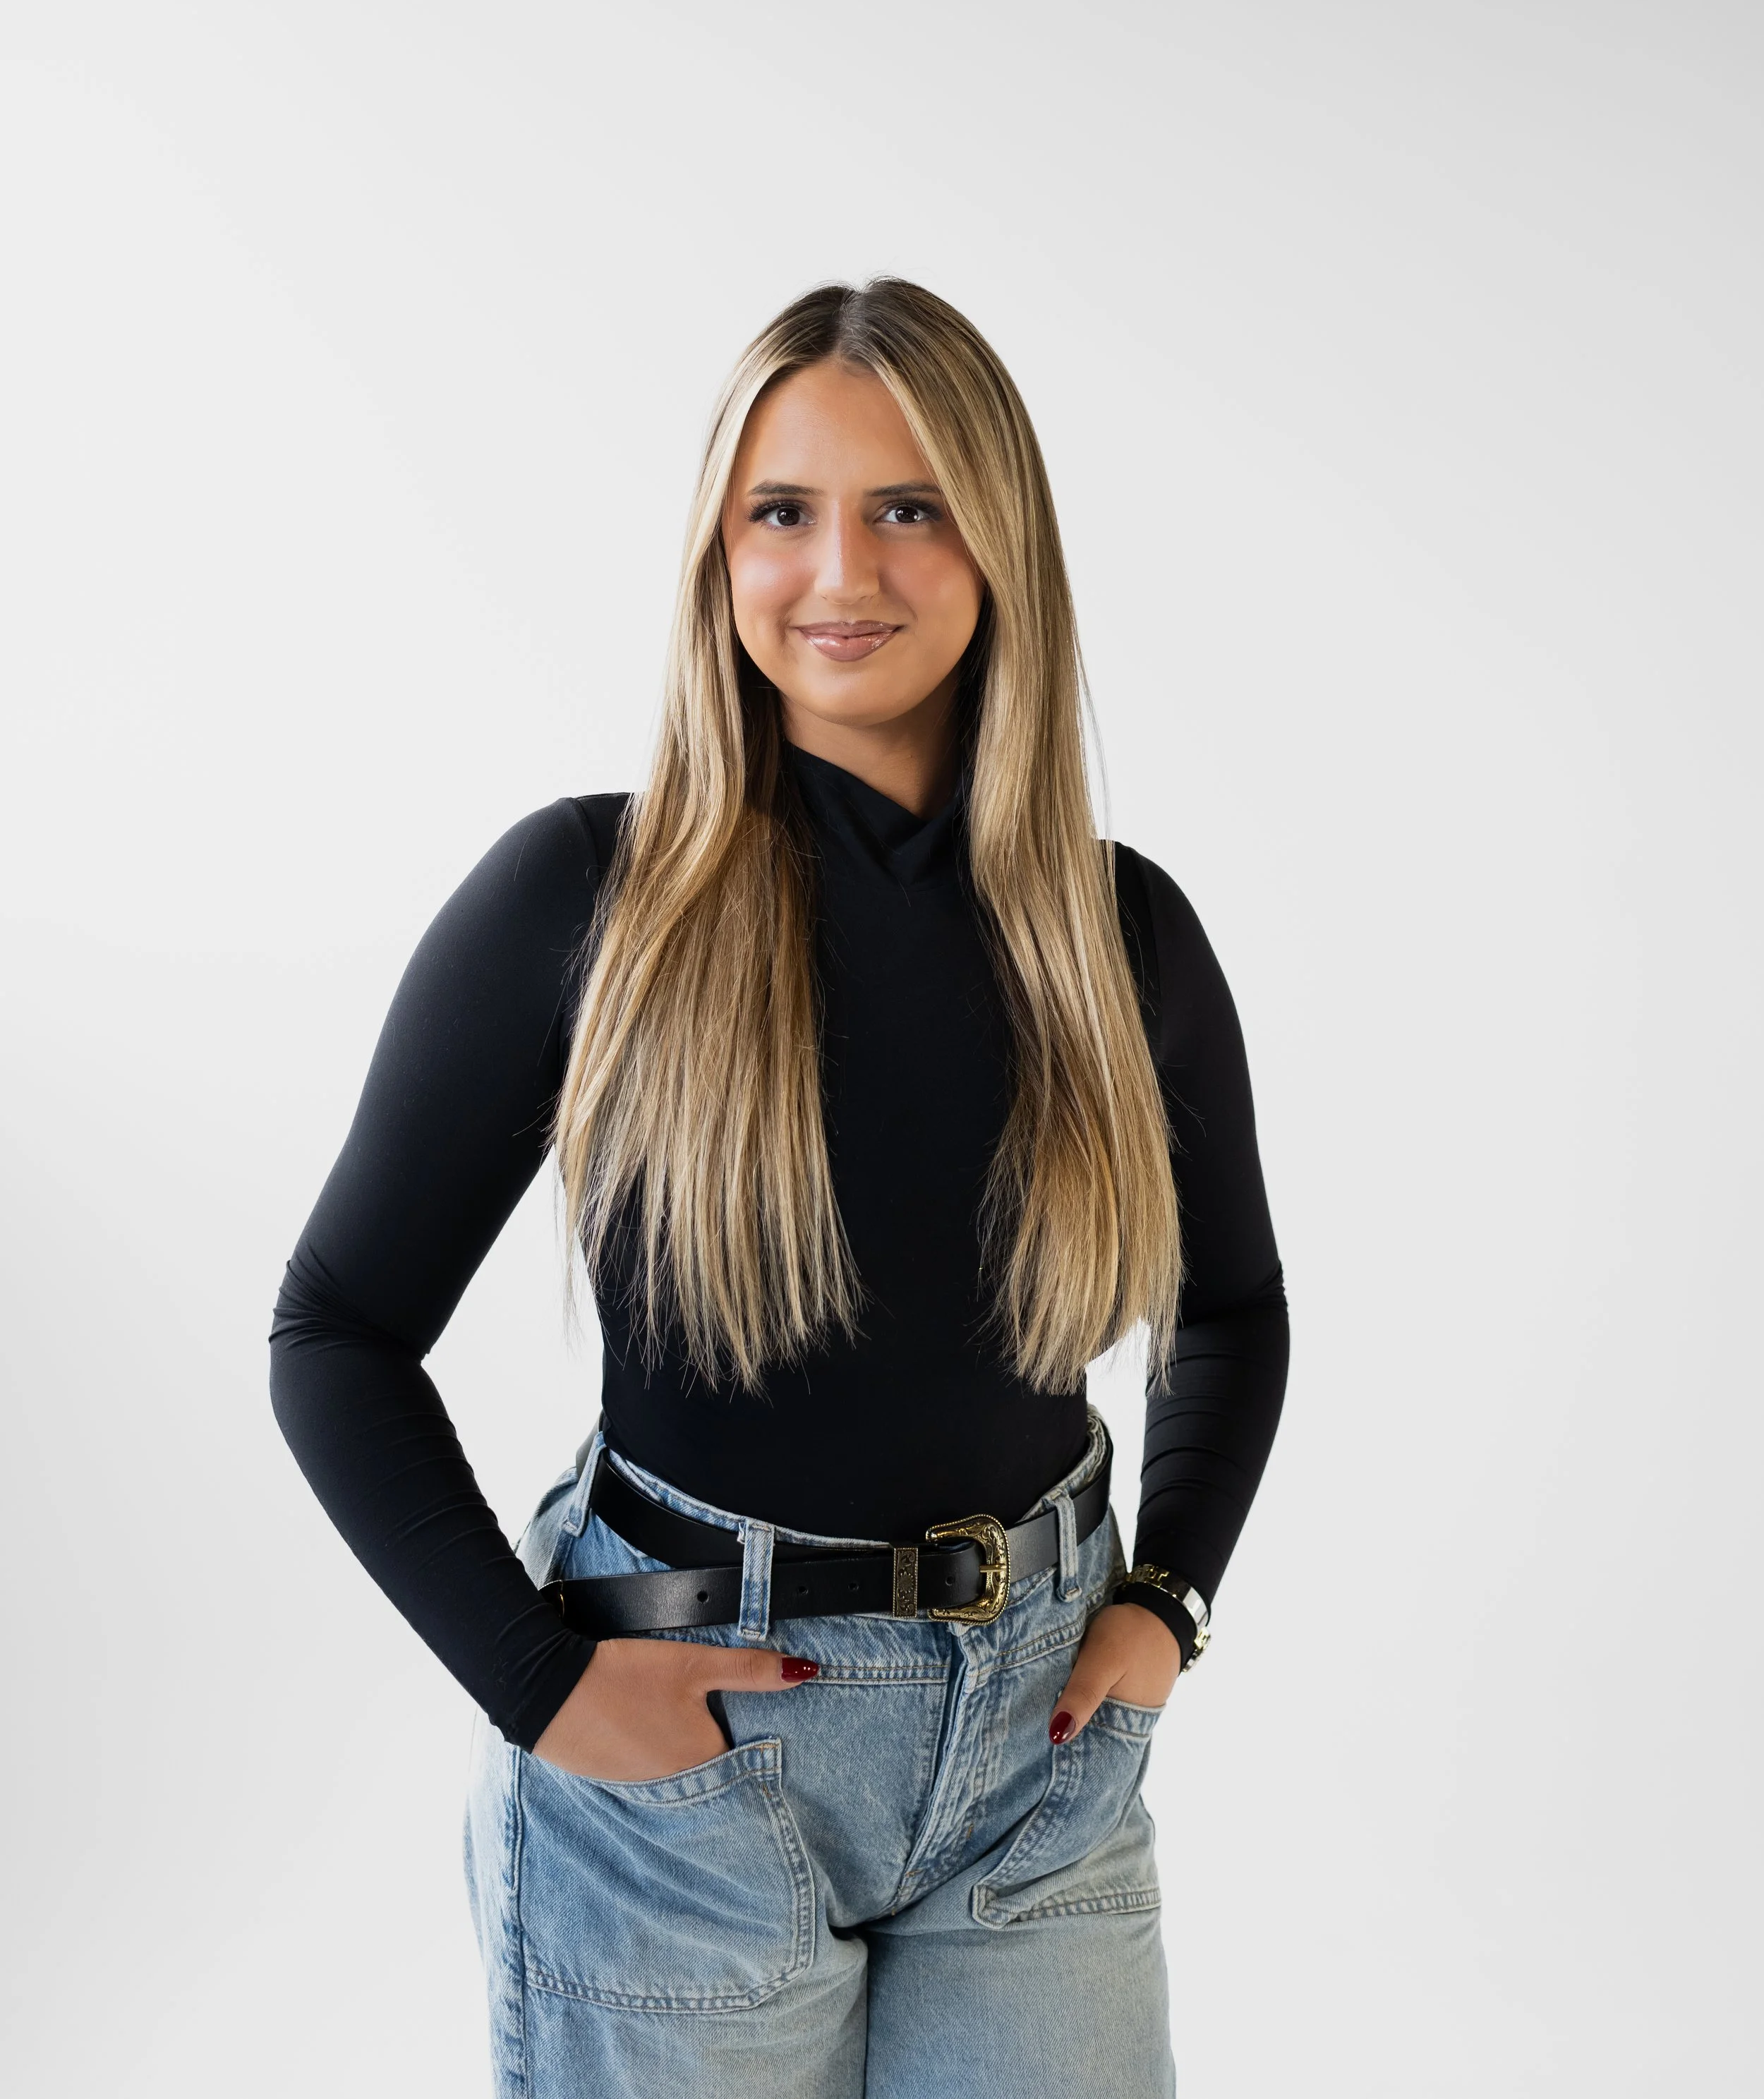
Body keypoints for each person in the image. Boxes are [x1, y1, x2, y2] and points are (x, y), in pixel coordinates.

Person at [270, 278, 1288, 2097]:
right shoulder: (591, 905)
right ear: (716, 559)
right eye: (782, 513)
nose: (844, 573)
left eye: (911, 508)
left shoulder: (1121, 936)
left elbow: (1230, 1313)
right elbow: (335, 1335)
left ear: (1001, 550)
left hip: (1040, 1754)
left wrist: (1172, 1603)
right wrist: (538, 1684)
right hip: (688, 1765)